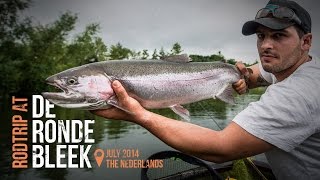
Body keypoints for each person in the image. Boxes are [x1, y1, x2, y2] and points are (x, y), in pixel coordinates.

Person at [91, 0, 320, 179]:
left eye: (279, 36)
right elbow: (256, 73)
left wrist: (137, 114)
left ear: (306, 41)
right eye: (261, 36)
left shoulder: (301, 92)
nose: (266, 45)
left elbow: (221, 149)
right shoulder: (298, 65)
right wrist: (244, 78)